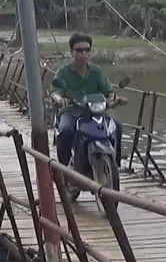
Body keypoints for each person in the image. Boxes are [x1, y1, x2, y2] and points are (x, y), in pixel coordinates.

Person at [49, 32, 125, 167]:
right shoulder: (63, 72)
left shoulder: (96, 71)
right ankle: (64, 169)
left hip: (94, 112)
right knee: (66, 131)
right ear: (72, 52)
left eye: (87, 50)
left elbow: (108, 89)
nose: (84, 53)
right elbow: (55, 91)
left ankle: (115, 164)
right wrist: (60, 99)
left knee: (116, 126)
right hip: (71, 111)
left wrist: (114, 98)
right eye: (79, 50)